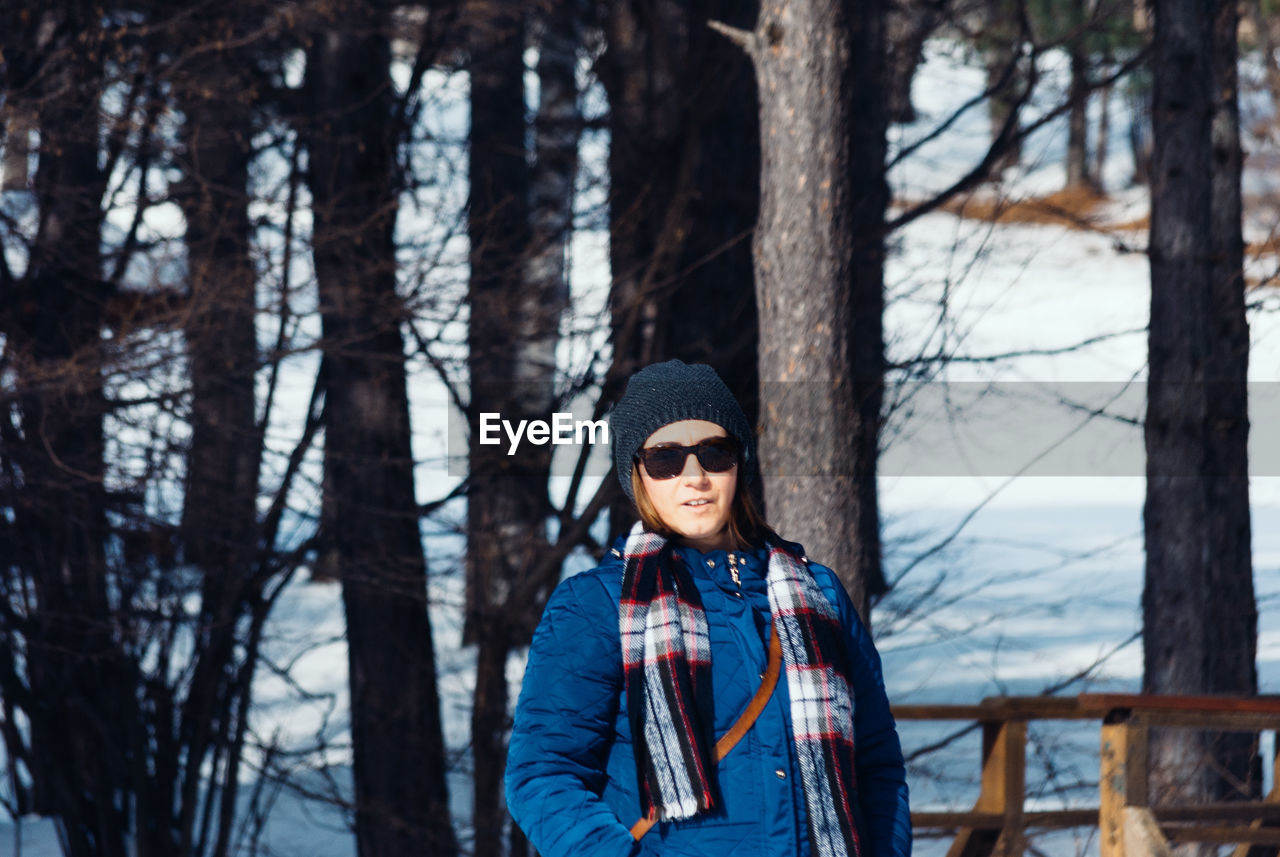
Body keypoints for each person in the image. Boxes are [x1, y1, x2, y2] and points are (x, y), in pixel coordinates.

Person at [505, 359, 911, 857]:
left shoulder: (818, 593)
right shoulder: (595, 605)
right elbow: (544, 776)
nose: (694, 476)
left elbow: (875, 765)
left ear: (740, 463)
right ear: (638, 474)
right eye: (665, 459)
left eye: (714, 453)